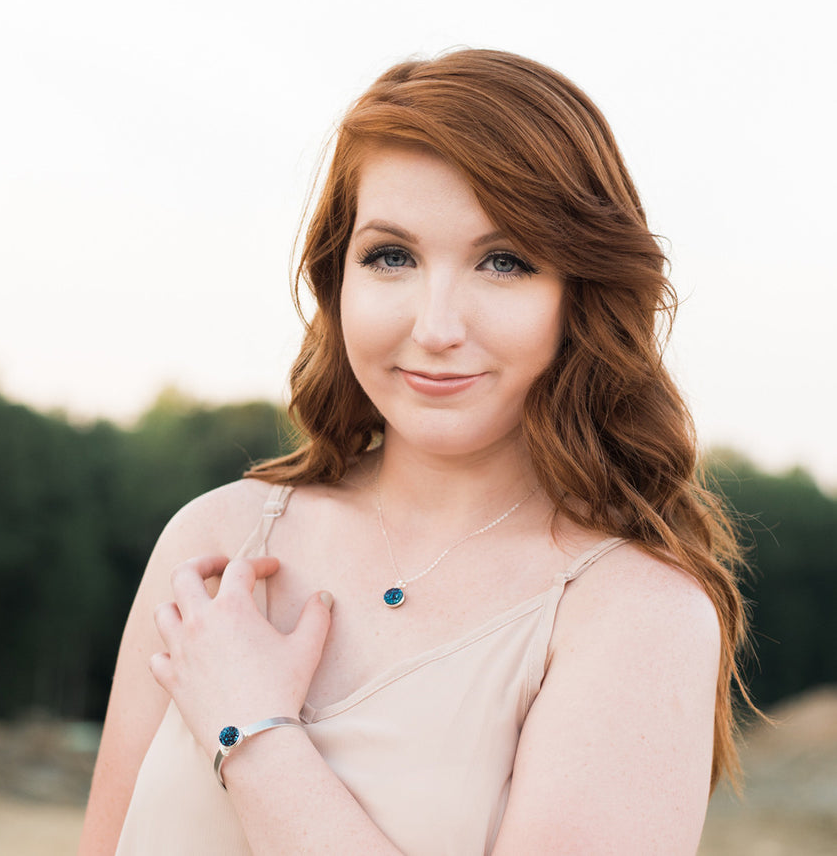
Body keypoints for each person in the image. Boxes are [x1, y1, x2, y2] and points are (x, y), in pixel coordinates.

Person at [79, 49, 750, 855]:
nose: (435, 327)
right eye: (391, 256)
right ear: (337, 278)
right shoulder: (213, 544)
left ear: (581, 295)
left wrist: (253, 734)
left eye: (504, 262)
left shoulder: (636, 613)